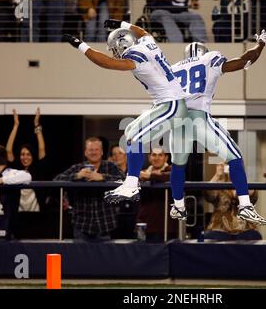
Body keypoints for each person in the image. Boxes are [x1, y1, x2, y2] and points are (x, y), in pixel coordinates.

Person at [62, 19, 188, 205]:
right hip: (168, 101)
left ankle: (131, 185)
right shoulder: (147, 42)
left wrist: (81, 45)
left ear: (120, 46)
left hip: (170, 103)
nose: (115, 53)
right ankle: (131, 182)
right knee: (130, 132)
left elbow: (106, 62)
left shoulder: (135, 58)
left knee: (135, 137)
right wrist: (122, 24)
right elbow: (143, 32)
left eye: (114, 49)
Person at [167, 30, 266, 225]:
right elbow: (242, 62)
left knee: (178, 164)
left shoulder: (172, 69)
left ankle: (178, 205)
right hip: (198, 116)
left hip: (177, 119)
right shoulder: (209, 59)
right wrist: (260, 45)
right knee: (235, 156)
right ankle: (245, 206)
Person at [53, 137, 124, 242]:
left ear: (102, 152)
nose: (94, 152)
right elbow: (56, 180)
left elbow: (125, 180)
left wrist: (103, 177)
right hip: (82, 225)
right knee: (80, 258)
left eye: (96, 150)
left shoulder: (110, 166)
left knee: (106, 258)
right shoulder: (77, 168)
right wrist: (77, 176)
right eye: (91, 150)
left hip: (105, 225)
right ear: (85, 152)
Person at [204, 163, 261, 241]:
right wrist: (217, 175)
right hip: (219, 228)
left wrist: (240, 176)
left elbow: (250, 195)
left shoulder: (246, 182)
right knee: (211, 237)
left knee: (252, 236)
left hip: (245, 229)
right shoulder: (219, 184)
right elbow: (209, 195)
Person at [6, 108, 49, 212]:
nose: (25, 157)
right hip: (17, 212)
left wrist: (36, 124)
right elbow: (8, 150)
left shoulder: (37, 168)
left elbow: (42, 148)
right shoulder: (16, 169)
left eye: (28, 154)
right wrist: (16, 125)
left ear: (33, 156)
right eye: (22, 154)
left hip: (36, 213)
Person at [137, 148, 178, 242]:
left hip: (167, 226)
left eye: (160, 155)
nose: (157, 158)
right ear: (149, 158)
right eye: (154, 155)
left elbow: (173, 176)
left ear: (166, 158)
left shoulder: (173, 170)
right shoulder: (142, 173)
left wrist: (149, 176)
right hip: (144, 223)